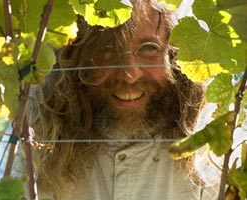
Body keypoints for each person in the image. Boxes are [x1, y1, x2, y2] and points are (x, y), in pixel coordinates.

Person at [26, 0, 219, 199]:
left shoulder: (213, 155)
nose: (130, 74)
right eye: (107, 49)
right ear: (73, 56)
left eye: (148, 48)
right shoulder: (35, 140)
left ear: (175, 55)